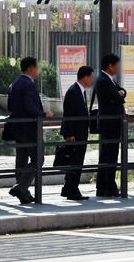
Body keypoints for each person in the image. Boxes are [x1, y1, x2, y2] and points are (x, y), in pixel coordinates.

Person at [6, 57, 53, 204]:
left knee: (21, 161)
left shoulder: (14, 84)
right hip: (29, 129)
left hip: (16, 128)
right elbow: (29, 106)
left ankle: (24, 193)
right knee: (38, 158)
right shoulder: (29, 84)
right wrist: (45, 114)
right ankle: (20, 188)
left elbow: (9, 106)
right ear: (31, 68)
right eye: (37, 67)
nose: (38, 70)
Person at [59, 66, 94, 200]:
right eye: (91, 77)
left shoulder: (81, 91)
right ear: (85, 77)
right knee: (75, 162)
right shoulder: (73, 91)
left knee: (76, 161)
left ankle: (67, 188)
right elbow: (68, 114)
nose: (92, 80)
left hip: (80, 132)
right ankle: (73, 190)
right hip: (74, 134)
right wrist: (69, 133)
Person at [95, 54, 126, 197]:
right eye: (117, 64)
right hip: (110, 123)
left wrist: (120, 94)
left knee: (106, 154)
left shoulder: (108, 80)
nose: (119, 67)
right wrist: (118, 96)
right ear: (110, 65)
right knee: (110, 155)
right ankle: (109, 187)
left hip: (109, 123)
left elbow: (123, 92)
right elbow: (117, 99)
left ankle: (103, 187)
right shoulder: (104, 81)